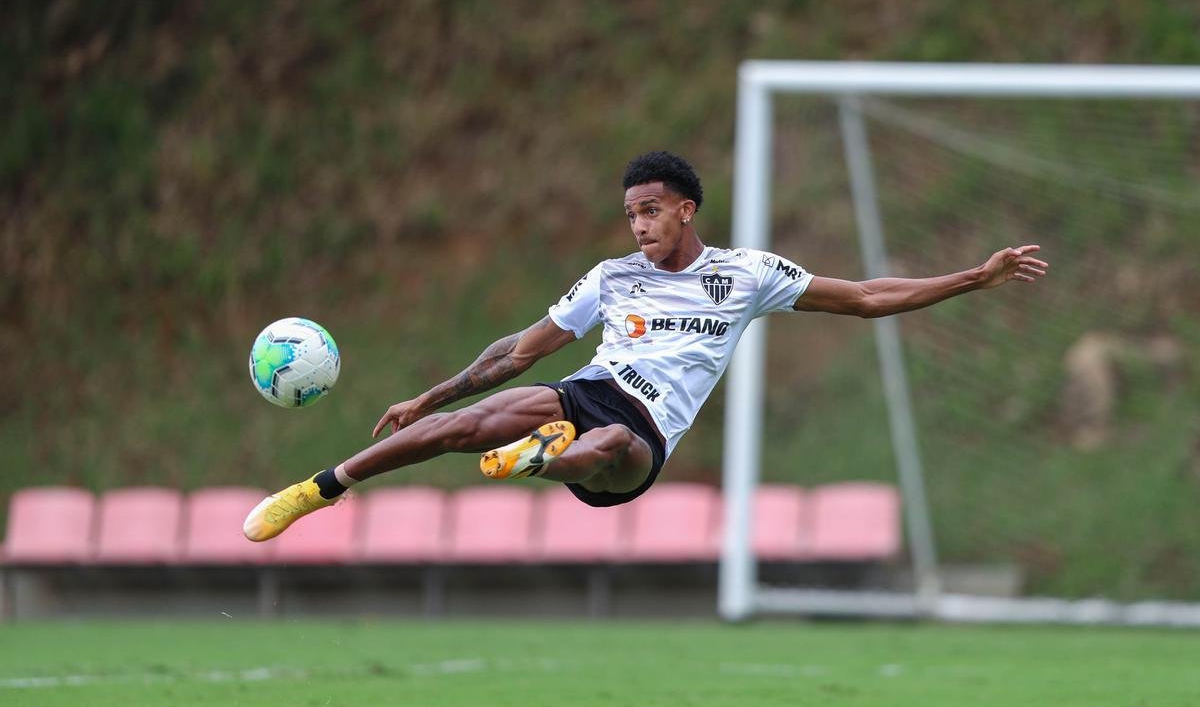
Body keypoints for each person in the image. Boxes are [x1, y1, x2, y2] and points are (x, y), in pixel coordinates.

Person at [243, 151, 1048, 542]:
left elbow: (867, 298)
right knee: (480, 417)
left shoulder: (748, 274)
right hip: (587, 389)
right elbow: (516, 351)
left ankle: (540, 459)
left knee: (612, 442)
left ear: (687, 210)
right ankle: (320, 487)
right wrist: (428, 397)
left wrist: (972, 280)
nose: (639, 225)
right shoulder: (612, 277)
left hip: (646, 432)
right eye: (632, 213)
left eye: (653, 211)